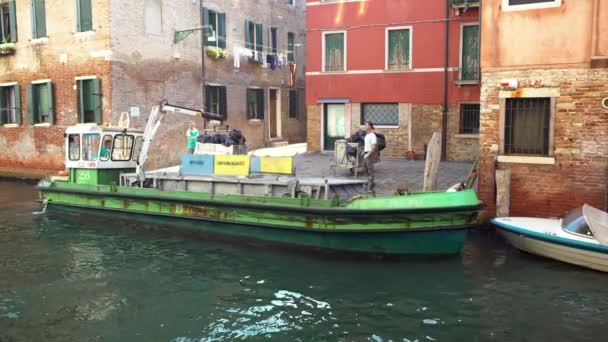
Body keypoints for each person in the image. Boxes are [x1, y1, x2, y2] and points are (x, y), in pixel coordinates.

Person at [362, 121, 378, 192]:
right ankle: (369, 182)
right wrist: (364, 151)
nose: (365, 127)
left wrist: (368, 154)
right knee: (364, 169)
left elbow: (373, 147)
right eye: (365, 125)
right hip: (366, 153)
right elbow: (367, 145)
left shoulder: (372, 135)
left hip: (370, 154)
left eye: (366, 125)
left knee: (370, 170)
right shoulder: (367, 135)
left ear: (370, 126)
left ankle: (370, 185)